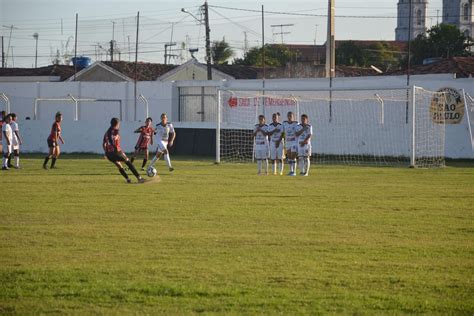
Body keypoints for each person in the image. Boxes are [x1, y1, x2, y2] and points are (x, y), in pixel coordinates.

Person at [103, 117, 145, 184]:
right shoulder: (116, 131)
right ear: (117, 124)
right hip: (116, 152)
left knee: (119, 165)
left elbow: (104, 144)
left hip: (109, 154)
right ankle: (139, 178)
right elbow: (114, 140)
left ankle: (128, 179)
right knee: (128, 163)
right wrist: (117, 150)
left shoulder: (106, 133)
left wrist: (106, 153)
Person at [282, 111, 299, 176]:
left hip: (294, 142)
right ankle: (291, 171)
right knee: (289, 157)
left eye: (291, 116)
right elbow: (282, 132)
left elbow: (298, 132)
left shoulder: (296, 123)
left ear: (293, 117)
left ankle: (294, 172)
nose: (289, 117)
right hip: (287, 142)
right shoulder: (284, 123)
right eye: (288, 116)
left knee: (293, 156)